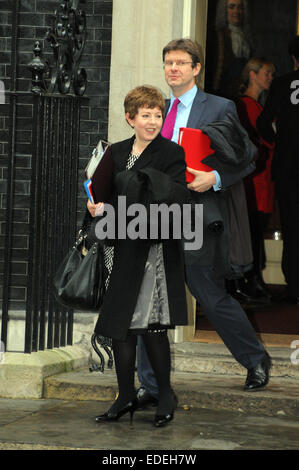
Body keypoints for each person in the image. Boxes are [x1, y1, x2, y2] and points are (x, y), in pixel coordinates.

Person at [136, 38, 272, 410]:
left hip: (197, 215)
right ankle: (149, 384)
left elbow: (247, 158)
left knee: (209, 294)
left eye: (181, 62)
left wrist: (214, 177)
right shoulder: (155, 109)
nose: (173, 69)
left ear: (196, 68)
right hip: (158, 217)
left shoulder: (220, 107)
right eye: (168, 63)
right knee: (151, 300)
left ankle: (256, 359)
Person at [86, 85, 190, 428]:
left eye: (158, 115)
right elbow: (102, 192)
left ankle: (164, 396)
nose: (153, 121)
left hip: (152, 251)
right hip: (119, 248)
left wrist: (113, 206)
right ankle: (125, 395)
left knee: (151, 328)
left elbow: (167, 199)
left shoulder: (172, 153)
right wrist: (94, 205)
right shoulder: (114, 152)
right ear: (130, 118)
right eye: (145, 115)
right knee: (121, 329)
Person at [257, 36, 299, 305]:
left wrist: (278, 141)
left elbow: (263, 122)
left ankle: (294, 287)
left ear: (294, 59)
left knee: (292, 228)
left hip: (288, 167)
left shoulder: (283, 83)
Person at [236, 58, 275, 301]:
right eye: (267, 72)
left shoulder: (258, 105)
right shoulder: (246, 105)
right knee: (251, 229)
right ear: (252, 74)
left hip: (264, 177)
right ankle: (249, 279)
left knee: (257, 229)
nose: (270, 77)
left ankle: (254, 279)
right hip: (255, 178)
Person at [207, 0, 252, 99]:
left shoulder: (245, 36)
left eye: (240, 7)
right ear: (224, 10)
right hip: (221, 92)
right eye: (232, 7)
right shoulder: (218, 36)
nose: (236, 11)